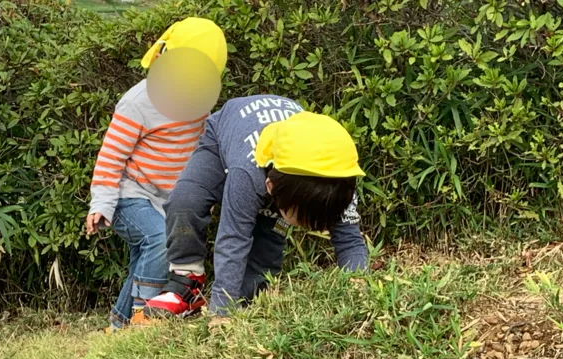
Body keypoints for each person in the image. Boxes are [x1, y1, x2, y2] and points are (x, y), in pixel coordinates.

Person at [144, 95, 368, 319]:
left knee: (266, 249)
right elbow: (233, 238)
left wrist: (358, 288)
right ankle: (187, 280)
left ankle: (248, 300)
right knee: (186, 201)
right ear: (270, 187)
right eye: (302, 219)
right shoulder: (247, 173)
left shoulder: (339, 180)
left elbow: (350, 241)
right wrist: (221, 314)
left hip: (292, 164)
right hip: (224, 136)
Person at [85, 17, 227, 331]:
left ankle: (118, 327)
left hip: (165, 202)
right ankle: (143, 319)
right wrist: (101, 205)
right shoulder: (138, 103)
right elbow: (111, 159)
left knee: (146, 258)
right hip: (128, 196)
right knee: (161, 241)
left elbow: (201, 152)